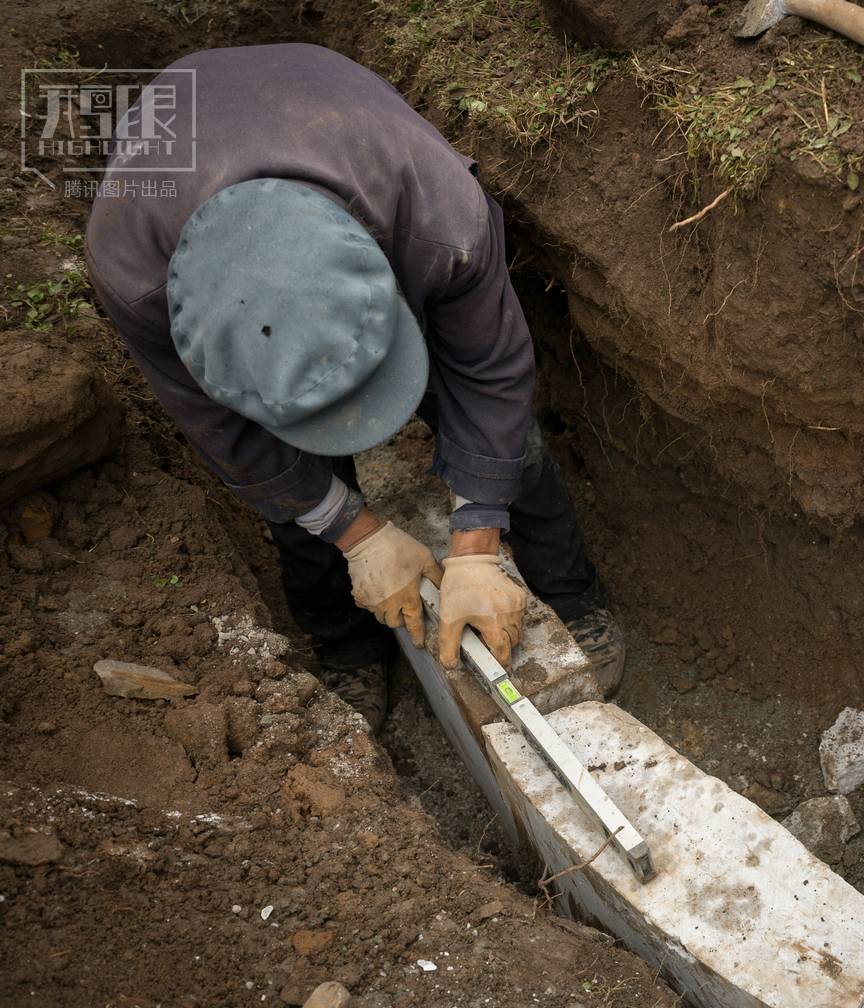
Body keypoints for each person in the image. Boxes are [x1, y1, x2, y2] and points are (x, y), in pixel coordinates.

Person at [84, 43, 623, 729]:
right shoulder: (137, 281)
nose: (355, 421)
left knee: (511, 446)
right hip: (199, 185)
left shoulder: (438, 218)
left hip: (329, 122)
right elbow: (227, 433)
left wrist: (477, 544)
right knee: (301, 497)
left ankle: (572, 598)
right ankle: (346, 646)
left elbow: (488, 370)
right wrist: (355, 533)